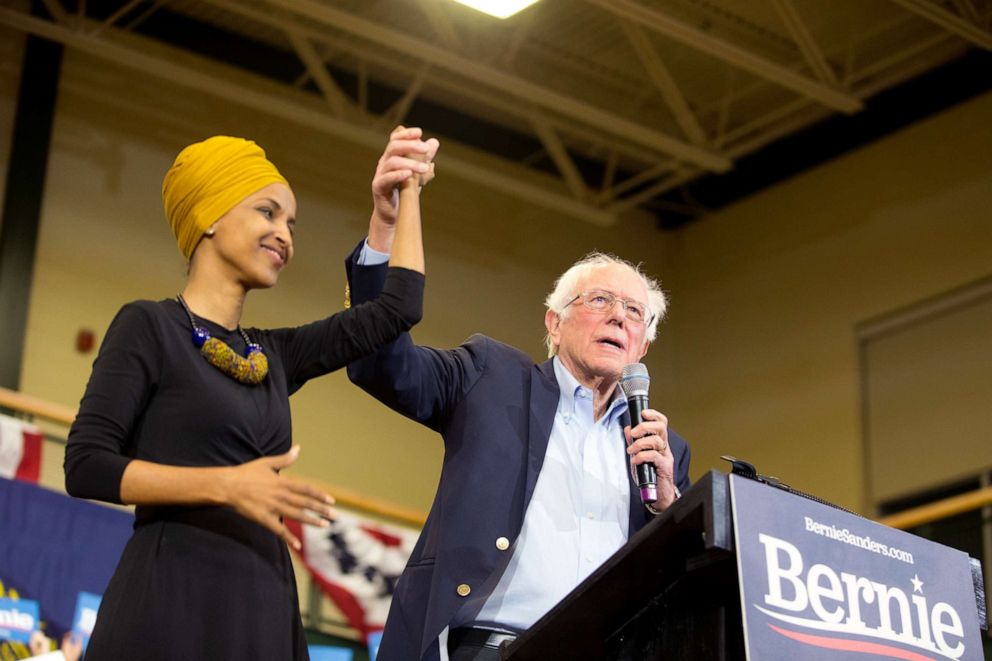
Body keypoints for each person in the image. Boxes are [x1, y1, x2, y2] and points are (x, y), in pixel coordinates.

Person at [63, 126, 439, 660]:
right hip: (170, 601)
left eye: (291, 222)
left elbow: (399, 309)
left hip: (262, 610)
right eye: (268, 212)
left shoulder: (272, 356)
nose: (285, 234)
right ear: (210, 217)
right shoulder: (148, 326)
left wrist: (397, 205)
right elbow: (86, 465)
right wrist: (227, 485)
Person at [345, 208, 691, 659]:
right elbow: (383, 365)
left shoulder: (663, 451)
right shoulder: (492, 377)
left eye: (634, 312)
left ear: (642, 347)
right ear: (555, 322)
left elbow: (681, 583)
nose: (618, 319)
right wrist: (383, 235)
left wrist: (670, 506)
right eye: (600, 301)